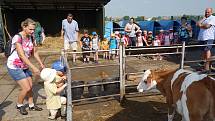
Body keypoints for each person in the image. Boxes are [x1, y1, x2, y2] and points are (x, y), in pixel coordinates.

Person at [6, 18, 44, 115]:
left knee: (30, 86)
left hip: (24, 65)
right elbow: (22, 55)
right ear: (24, 27)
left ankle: (31, 105)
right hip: (15, 66)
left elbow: (35, 52)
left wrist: (40, 63)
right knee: (26, 88)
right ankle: (19, 105)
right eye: (30, 29)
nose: (32, 31)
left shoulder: (32, 37)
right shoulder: (18, 37)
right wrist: (33, 67)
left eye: (33, 30)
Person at [197, 8, 215, 72]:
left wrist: (200, 25)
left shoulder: (213, 18)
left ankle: (207, 68)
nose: (207, 13)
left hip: (209, 37)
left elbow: (207, 26)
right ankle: (204, 67)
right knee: (204, 51)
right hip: (202, 37)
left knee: (207, 50)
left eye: (208, 12)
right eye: (206, 12)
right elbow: (197, 24)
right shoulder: (204, 18)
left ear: (211, 12)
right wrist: (203, 20)